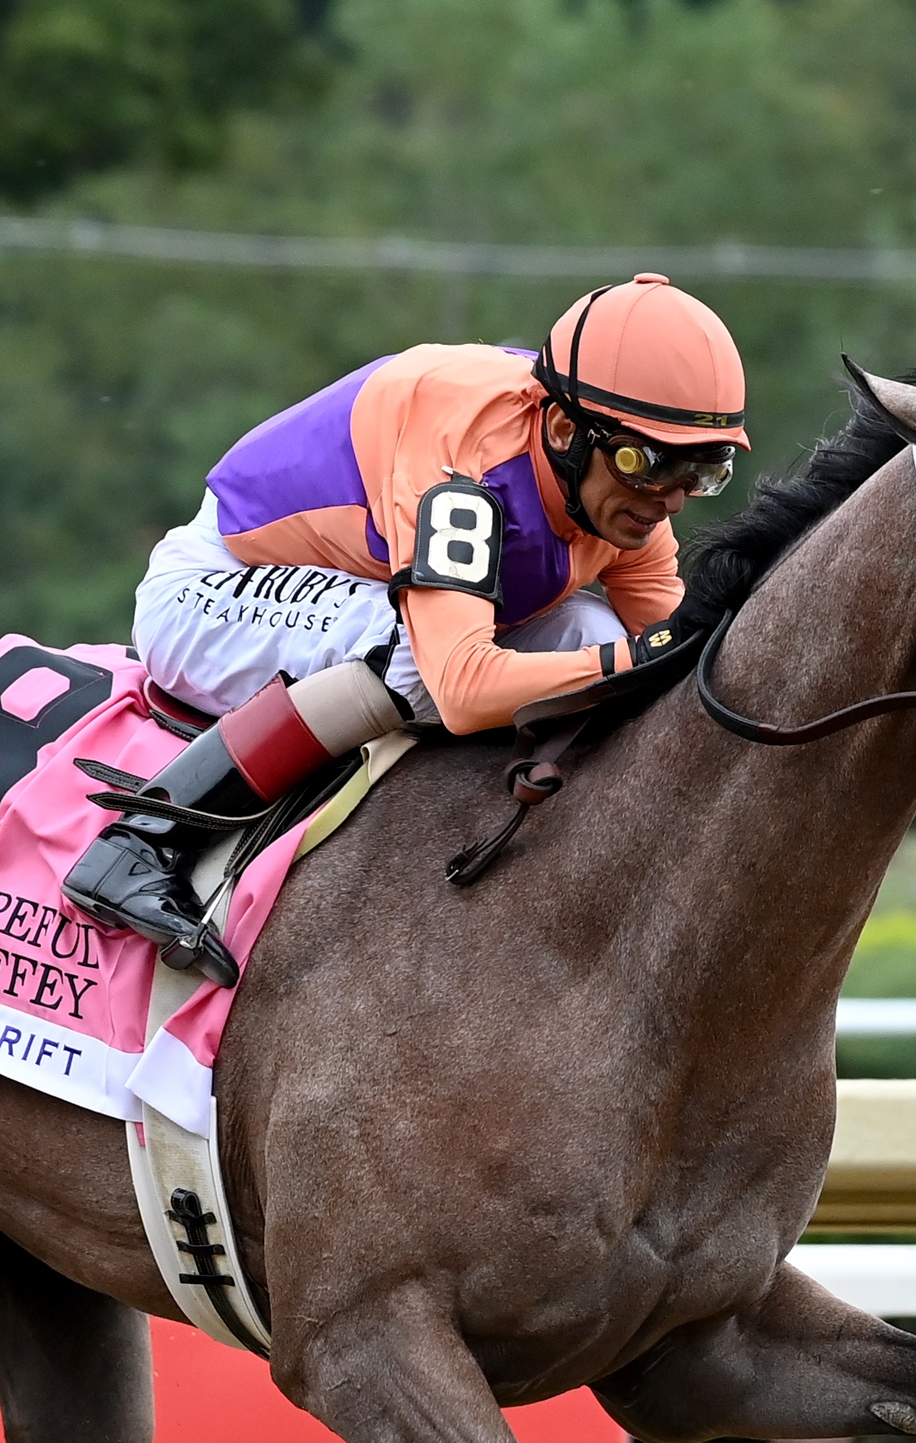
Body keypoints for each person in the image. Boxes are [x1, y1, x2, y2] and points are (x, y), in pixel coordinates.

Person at [61, 273, 750, 985]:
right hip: (208, 594)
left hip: (354, 587)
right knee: (416, 663)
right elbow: (459, 685)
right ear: (567, 429)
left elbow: (670, 656)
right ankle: (141, 842)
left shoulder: (619, 490)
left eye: (702, 471)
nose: (668, 498)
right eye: (648, 462)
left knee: (590, 633)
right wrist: (640, 657)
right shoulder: (467, 463)